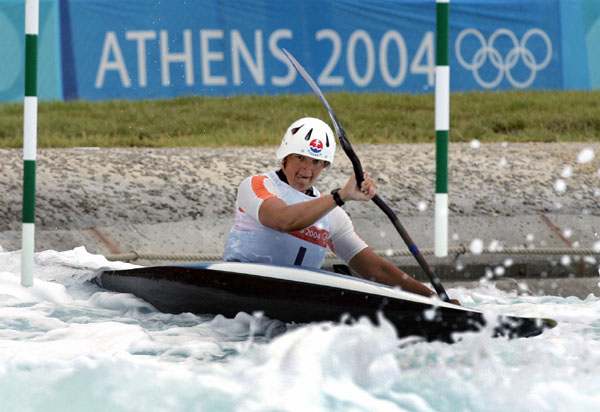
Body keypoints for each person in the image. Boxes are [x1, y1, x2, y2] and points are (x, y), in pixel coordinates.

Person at [223, 117, 454, 302]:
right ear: (285, 157)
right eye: (300, 158)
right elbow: (284, 220)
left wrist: (434, 299)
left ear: (324, 165)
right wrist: (341, 196)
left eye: (316, 162)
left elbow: (377, 269)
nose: (307, 169)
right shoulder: (257, 185)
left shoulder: (332, 215)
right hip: (240, 288)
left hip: (293, 303)